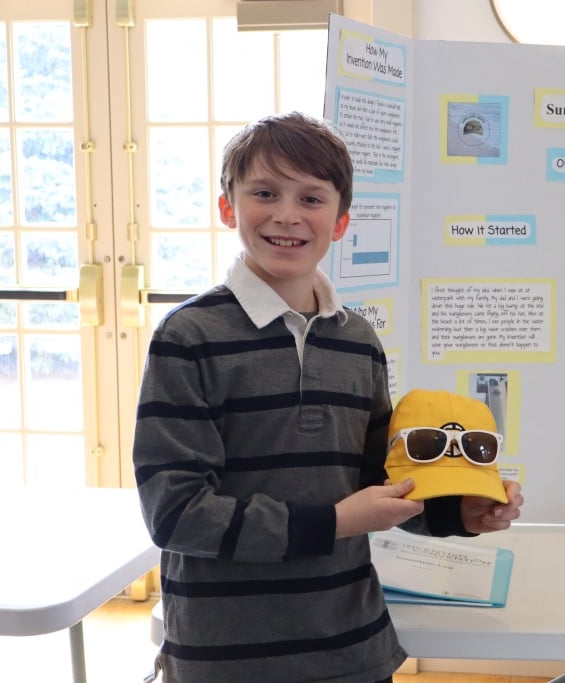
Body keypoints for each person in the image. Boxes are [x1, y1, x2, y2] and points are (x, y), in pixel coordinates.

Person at [132, 111, 524, 683]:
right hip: (226, 657)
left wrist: (459, 512)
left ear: (340, 223)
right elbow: (174, 514)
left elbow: (380, 482)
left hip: (351, 649)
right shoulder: (187, 337)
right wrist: (335, 521)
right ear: (227, 207)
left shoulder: (358, 340)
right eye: (265, 193)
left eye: (311, 198)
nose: (287, 214)